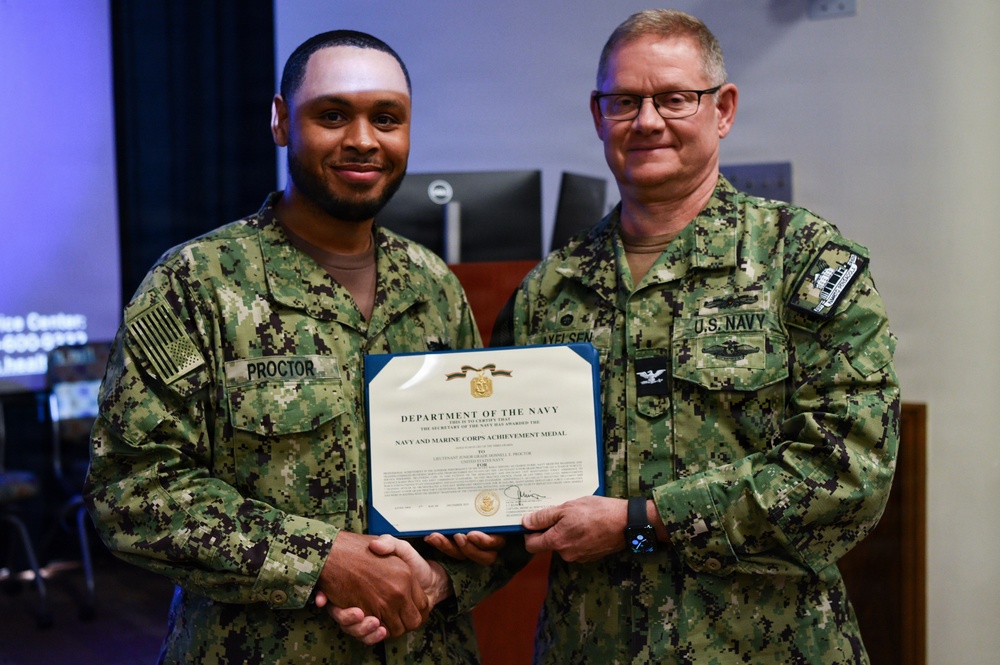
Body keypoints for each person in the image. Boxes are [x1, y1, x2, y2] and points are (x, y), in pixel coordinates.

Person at [84, 30, 510, 663]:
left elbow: (485, 474)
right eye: (332, 115)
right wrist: (323, 561)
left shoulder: (433, 286)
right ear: (282, 122)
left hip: (428, 647)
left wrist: (454, 567)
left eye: (386, 118)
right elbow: (131, 491)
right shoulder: (196, 282)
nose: (363, 139)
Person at [490, 9, 899, 664]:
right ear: (598, 116)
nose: (647, 121)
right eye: (624, 101)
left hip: (768, 647)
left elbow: (850, 469)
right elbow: (510, 477)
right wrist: (441, 559)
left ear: (723, 108)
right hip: (593, 645)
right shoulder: (549, 292)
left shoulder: (802, 260)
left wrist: (642, 521)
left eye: (674, 98)